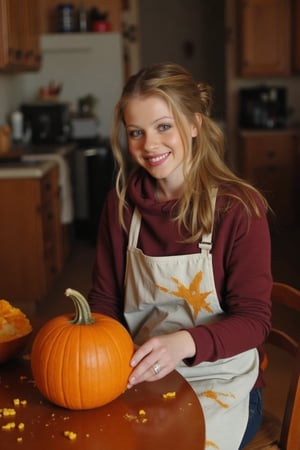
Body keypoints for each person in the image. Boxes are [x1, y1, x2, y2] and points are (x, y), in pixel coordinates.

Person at [88, 62, 272, 449]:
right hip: (143, 376)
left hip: (221, 383)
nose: (149, 145)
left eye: (163, 126)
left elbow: (254, 321)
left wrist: (182, 344)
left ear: (194, 124)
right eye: (136, 132)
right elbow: (104, 303)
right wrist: (95, 360)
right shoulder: (121, 206)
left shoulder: (238, 209)